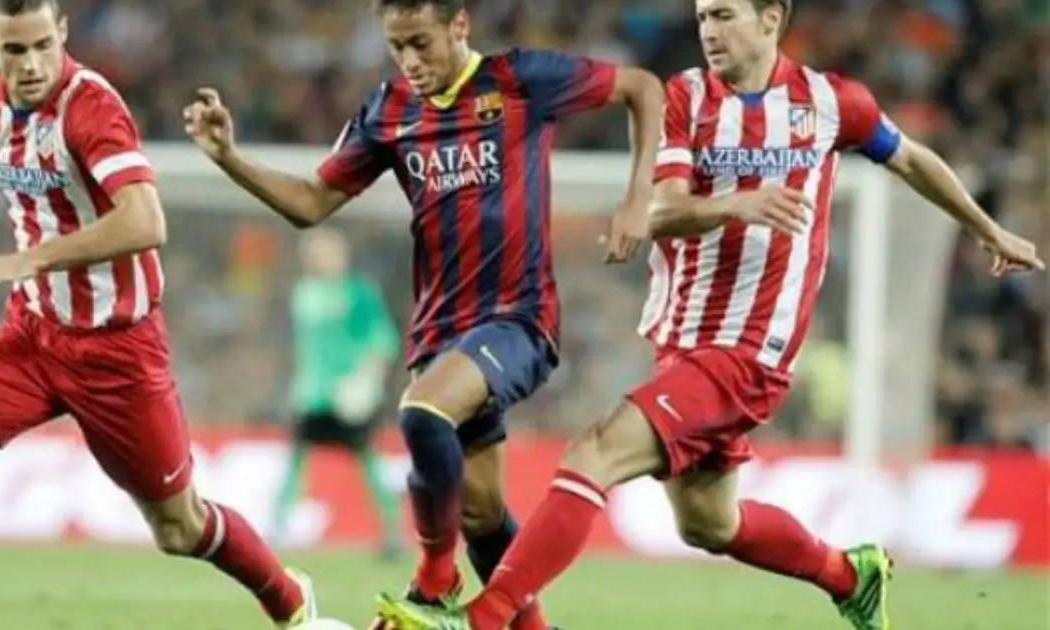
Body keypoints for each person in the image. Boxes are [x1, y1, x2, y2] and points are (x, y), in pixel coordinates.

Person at [373, 0, 1045, 629]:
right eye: (701, 18)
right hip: (683, 341)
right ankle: (849, 575)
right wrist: (736, 205)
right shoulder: (686, 97)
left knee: (594, 453)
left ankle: (483, 618)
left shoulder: (831, 102)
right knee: (707, 523)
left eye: (724, 14)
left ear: (772, 17)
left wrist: (986, 230)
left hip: (749, 350)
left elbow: (911, 159)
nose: (709, 31)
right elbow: (661, 210)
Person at [181, 0, 665, 628]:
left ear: (458, 25)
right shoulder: (390, 110)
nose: (410, 60)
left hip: (518, 317)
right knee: (482, 515)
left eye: (420, 42)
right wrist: (228, 157)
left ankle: (434, 577)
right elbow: (311, 202)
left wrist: (638, 199)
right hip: (439, 331)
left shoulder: (517, 80)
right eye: (396, 46)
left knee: (422, 410)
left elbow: (643, 87)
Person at [0, 2, 318, 629]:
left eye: (43, 45)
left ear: (63, 32)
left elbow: (146, 221)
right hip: (32, 334)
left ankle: (289, 600)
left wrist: (28, 259)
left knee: (179, 528)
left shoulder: (92, 108)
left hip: (118, 350)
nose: (32, 64)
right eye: (15, 50)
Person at [269, 227, 404, 560]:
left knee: (368, 460)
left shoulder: (358, 294)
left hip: (350, 394)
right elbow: (305, 348)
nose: (318, 259)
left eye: (324, 252)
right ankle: (276, 534)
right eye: (312, 253)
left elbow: (382, 342)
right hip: (311, 394)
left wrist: (365, 383)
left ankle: (392, 533)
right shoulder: (304, 293)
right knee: (296, 460)